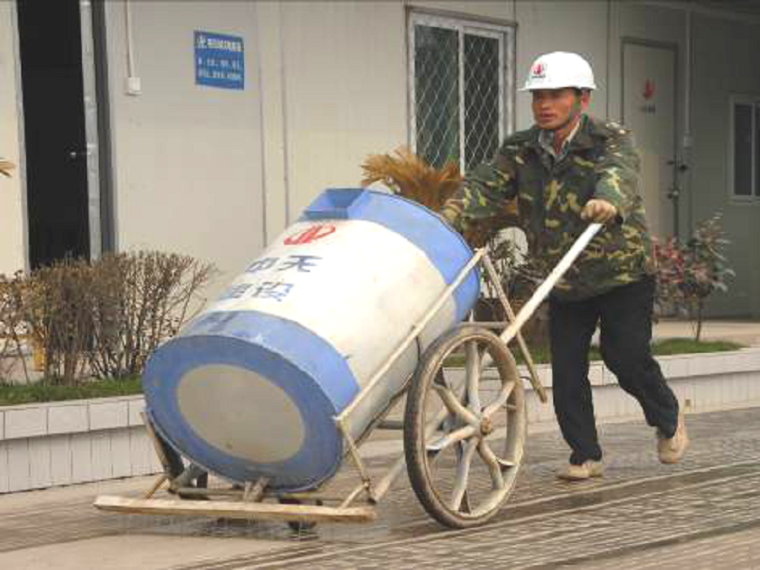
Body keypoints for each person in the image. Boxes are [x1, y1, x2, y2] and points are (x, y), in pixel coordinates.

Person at [441, 51, 688, 481]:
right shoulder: (520, 149)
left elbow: (620, 173)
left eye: (555, 95)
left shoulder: (610, 139)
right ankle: (585, 453)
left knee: (624, 356)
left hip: (621, 273)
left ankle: (667, 419)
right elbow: (485, 187)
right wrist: (445, 217)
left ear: (582, 99)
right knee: (567, 367)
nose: (544, 105)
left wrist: (607, 198)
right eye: (538, 96)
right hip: (565, 275)